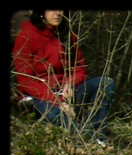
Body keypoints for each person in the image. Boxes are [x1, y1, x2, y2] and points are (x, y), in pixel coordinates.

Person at [12, 9, 115, 141]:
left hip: (65, 95)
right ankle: (87, 137)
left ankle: (98, 132)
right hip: (37, 97)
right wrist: (57, 102)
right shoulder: (26, 36)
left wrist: (70, 84)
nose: (58, 13)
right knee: (55, 115)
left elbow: (79, 69)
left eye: (61, 9)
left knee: (105, 83)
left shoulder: (68, 37)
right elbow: (25, 81)